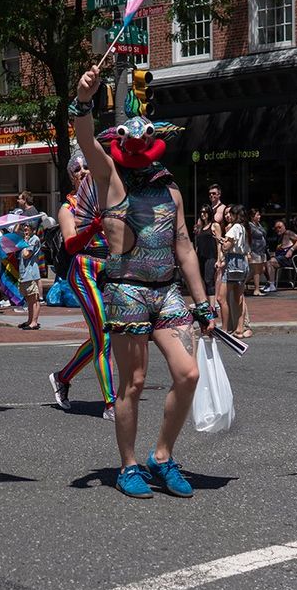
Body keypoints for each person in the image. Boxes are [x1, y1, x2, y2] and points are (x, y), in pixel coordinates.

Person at [74, 65, 214, 500]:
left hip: (167, 290)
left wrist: (204, 302)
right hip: (126, 290)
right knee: (132, 383)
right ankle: (128, 466)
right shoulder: (110, 179)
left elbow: (186, 245)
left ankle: (163, 455)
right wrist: (84, 100)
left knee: (188, 373)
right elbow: (83, 138)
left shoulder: (170, 189)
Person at [48, 150, 116, 420]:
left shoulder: (108, 199)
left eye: (87, 166)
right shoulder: (69, 208)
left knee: (105, 335)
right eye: (77, 170)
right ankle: (111, 403)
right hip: (84, 269)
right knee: (105, 335)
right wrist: (92, 227)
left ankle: (62, 377)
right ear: (71, 178)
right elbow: (70, 244)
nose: (83, 171)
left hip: (109, 269)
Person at [221, 205, 250, 337]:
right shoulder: (243, 228)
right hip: (241, 262)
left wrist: (221, 241)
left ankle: (225, 328)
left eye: (231, 214)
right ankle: (239, 328)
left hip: (232, 262)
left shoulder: (234, 227)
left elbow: (227, 246)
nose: (229, 216)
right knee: (239, 297)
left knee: (221, 298)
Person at [193, 205, 222, 313]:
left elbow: (219, 243)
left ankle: (213, 307)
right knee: (202, 282)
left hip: (211, 256)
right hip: (201, 257)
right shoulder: (200, 227)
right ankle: (206, 305)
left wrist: (219, 259)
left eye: (205, 212)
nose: (202, 214)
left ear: (209, 213)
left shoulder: (214, 225)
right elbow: (198, 245)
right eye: (201, 212)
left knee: (209, 280)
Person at [264, 220, 297, 292]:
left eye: (280, 227)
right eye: (276, 228)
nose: (278, 229)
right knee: (265, 264)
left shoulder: (288, 233)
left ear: (284, 227)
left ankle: (271, 285)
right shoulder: (279, 237)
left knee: (270, 262)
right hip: (280, 258)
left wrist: (291, 249)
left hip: (288, 259)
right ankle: (269, 283)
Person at [17, 221, 41, 330]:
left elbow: (26, 255)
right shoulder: (25, 240)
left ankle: (34, 322)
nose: (25, 228)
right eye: (24, 226)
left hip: (31, 273)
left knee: (34, 298)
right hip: (24, 273)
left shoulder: (34, 239)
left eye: (28, 226)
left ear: (33, 229)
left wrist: (25, 241)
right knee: (28, 299)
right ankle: (29, 320)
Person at [247, 208, 268, 296]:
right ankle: (256, 289)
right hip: (254, 250)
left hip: (261, 251)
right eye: (257, 215)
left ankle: (243, 282)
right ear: (252, 217)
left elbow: (264, 232)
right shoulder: (250, 225)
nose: (259, 216)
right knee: (256, 270)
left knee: (262, 269)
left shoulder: (258, 224)